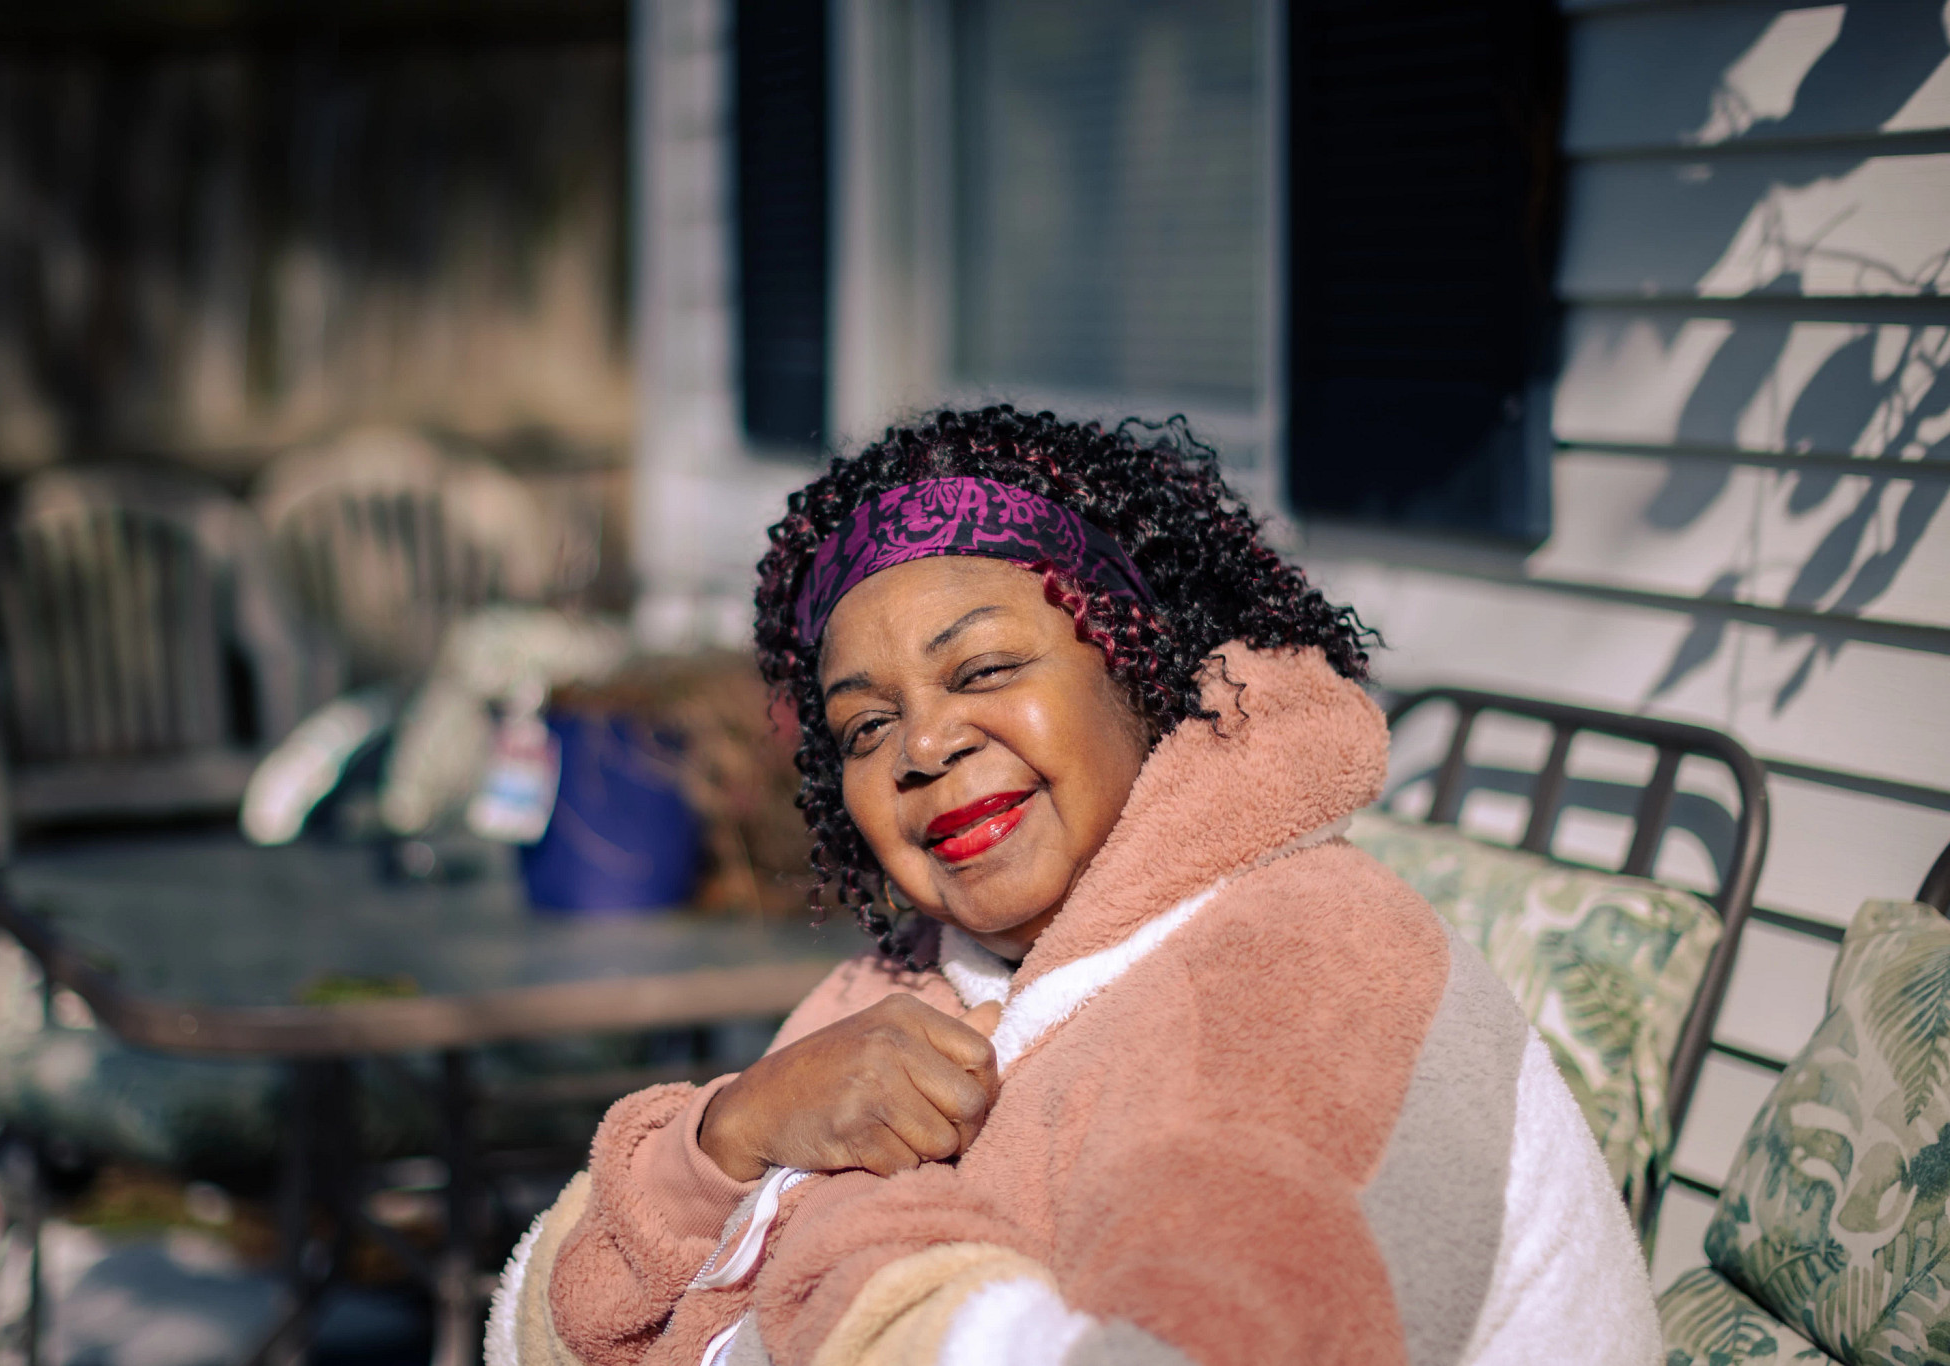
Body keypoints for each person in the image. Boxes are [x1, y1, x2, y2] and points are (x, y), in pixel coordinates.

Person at [486, 408, 1660, 1366]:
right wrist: (730, 1134)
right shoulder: (904, 980)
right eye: (864, 725)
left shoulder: (1305, 970)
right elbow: (553, 1329)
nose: (923, 748)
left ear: (1138, 661)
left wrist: (823, 1233)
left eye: (985, 668)